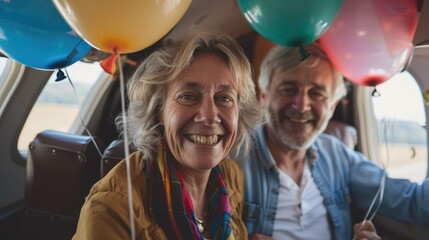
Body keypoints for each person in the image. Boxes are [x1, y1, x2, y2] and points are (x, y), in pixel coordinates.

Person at [72, 31, 261, 239]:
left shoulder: (230, 177)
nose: (209, 116)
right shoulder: (112, 208)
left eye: (224, 98)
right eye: (188, 96)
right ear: (158, 111)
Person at [239, 43, 429, 240]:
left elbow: (412, 202)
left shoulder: (336, 155)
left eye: (317, 94)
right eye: (288, 89)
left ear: (331, 107)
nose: (302, 105)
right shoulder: (233, 161)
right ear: (263, 96)